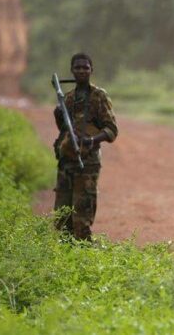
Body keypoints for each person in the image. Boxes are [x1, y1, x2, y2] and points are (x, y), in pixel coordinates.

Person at [53, 53, 118, 241]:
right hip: (66, 163)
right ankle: (67, 264)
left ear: (91, 70)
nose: (81, 71)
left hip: (87, 163)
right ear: (72, 71)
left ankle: (84, 261)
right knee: (62, 219)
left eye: (85, 68)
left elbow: (112, 130)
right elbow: (64, 130)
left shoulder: (99, 96)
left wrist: (92, 140)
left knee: (82, 219)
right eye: (78, 68)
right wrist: (58, 115)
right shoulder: (68, 98)